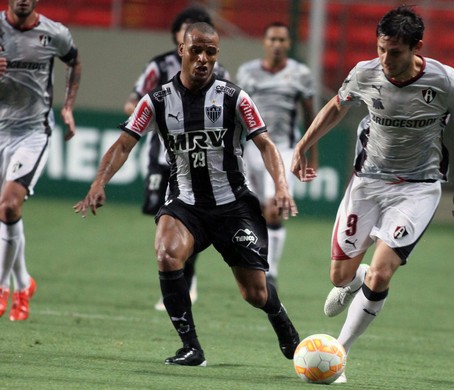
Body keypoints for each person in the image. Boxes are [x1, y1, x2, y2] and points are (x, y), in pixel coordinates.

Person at [74, 22, 302, 366]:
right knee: (167, 254)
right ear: (181, 50)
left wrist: (282, 187)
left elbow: (266, 145)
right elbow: (123, 145)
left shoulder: (234, 97)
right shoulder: (157, 100)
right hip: (185, 204)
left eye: (210, 52)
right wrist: (98, 183)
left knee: (254, 293)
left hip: (233, 205)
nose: (203, 59)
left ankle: (280, 319)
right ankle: (191, 347)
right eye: (196, 50)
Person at [291, 6, 454, 383]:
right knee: (339, 276)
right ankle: (355, 278)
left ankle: (339, 354)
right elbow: (336, 107)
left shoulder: (445, 82)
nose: (386, 59)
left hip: (418, 188)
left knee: (382, 274)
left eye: (395, 52)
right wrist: (302, 145)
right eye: (381, 49)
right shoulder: (365, 73)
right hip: (368, 182)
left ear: (416, 48)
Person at [124, 6, 231, 311]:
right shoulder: (159, 66)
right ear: (178, 36)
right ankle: (177, 268)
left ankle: (186, 277)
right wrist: (146, 115)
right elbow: (132, 101)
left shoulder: (217, 71)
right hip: (162, 155)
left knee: (188, 216)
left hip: (200, 159)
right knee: (162, 215)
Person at [0, 0, 81, 321]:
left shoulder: (54, 33)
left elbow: (74, 62)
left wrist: (68, 107)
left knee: (8, 205)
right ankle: (24, 283)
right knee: (6, 213)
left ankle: (3, 286)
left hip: (33, 132)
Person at [236, 22, 317, 288]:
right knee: (255, 210)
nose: (278, 44)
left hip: (283, 148)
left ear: (289, 44)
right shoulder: (247, 73)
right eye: (273, 39)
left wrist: (310, 154)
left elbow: (310, 115)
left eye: (283, 40)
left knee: (274, 210)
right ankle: (256, 263)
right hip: (251, 148)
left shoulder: (300, 74)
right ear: (265, 42)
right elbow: (235, 112)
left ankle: (270, 271)